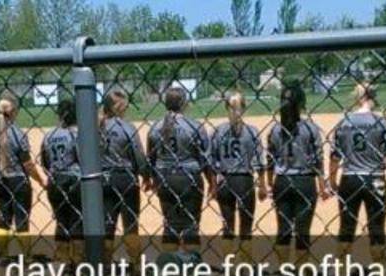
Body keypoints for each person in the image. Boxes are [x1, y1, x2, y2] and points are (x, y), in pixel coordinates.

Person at [329, 83, 386, 266]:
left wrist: (332, 181)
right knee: (376, 228)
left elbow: (334, 156)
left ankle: (342, 273)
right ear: (372, 98)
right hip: (375, 179)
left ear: (357, 98)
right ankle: (379, 273)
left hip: (350, 178)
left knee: (346, 227)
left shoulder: (344, 121)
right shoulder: (380, 121)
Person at [147, 85, 215, 251]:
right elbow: (205, 158)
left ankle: (170, 267)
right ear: (184, 103)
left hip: (165, 177)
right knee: (191, 224)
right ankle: (191, 268)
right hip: (189, 177)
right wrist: (212, 183)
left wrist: (154, 180)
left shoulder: (155, 127)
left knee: (170, 225)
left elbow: (151, 158)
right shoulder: (194, 126)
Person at [265, 80, 325, 265]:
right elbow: (318, 160)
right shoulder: (310, 128)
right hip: (305, 181)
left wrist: (269, 182)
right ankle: (300, 272)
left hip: (281, 181)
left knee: (283, 229)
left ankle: (284, 271)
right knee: (303, 230)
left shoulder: (275, 129)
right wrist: (322, 185)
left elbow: (269, 160)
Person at [0, 97, 45, 257]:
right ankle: (25, 256)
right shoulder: (18, 133)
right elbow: (27, 164)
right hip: (18, 180)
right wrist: (41, 180)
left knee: (3, 218)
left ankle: (3, 254)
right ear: (14, 113)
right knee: (21, 219)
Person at [211, 91, 265, 259]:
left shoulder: (218, 131)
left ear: (226, 107)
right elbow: (259, 161)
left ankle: (228, 266)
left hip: (225, 180)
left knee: (227, 226)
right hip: (245, 181)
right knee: (246, 227)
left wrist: (213, 186)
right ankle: (245, 266)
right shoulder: (252, 131)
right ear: (244, 108)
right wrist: (262, 185)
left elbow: (212, 161)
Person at [100, 88, 148, 262]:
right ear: (120, 107)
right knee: (130, 226)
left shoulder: (96, 127)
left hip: (103, 179)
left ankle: (105, 263)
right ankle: (135, 263)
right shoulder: (127, 127)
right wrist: (146, 175)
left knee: (107, 226)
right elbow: (139, 156)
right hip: (126, 178)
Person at [41, 98, 84, 263]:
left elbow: (45, 162)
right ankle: (78, 260)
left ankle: (62, 260)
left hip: (54, 180)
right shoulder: (77, 133)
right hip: (74, 179)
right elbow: (82, 158)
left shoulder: (49, 135)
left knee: (61, 220)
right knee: (77, 219)